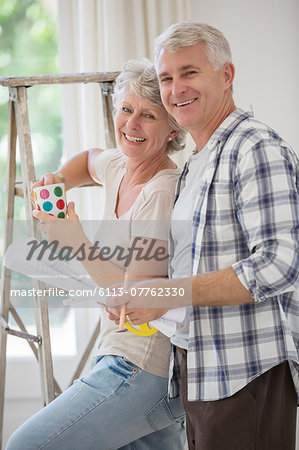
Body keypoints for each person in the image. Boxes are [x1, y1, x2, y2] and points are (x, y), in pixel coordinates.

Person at [107, 23, 299, 450]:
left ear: (226, 75)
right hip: (200, 372)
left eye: (189, 72)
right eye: (167, 78)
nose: (176, 89)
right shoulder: (199, 161)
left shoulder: (255, 147)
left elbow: (278, 265)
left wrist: (166, 295)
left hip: (244, 375)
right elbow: (197, 270)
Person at [5, 59, 187, 450]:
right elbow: (89, 159)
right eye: (126, 109)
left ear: (174, 127)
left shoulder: (162, 192)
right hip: (127, 361)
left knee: (26, 446)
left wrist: (76, 241)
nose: (131, 124)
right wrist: (58, 180)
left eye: (148, 115)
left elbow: (133, 299)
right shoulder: (122, 166)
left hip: (141, 367)